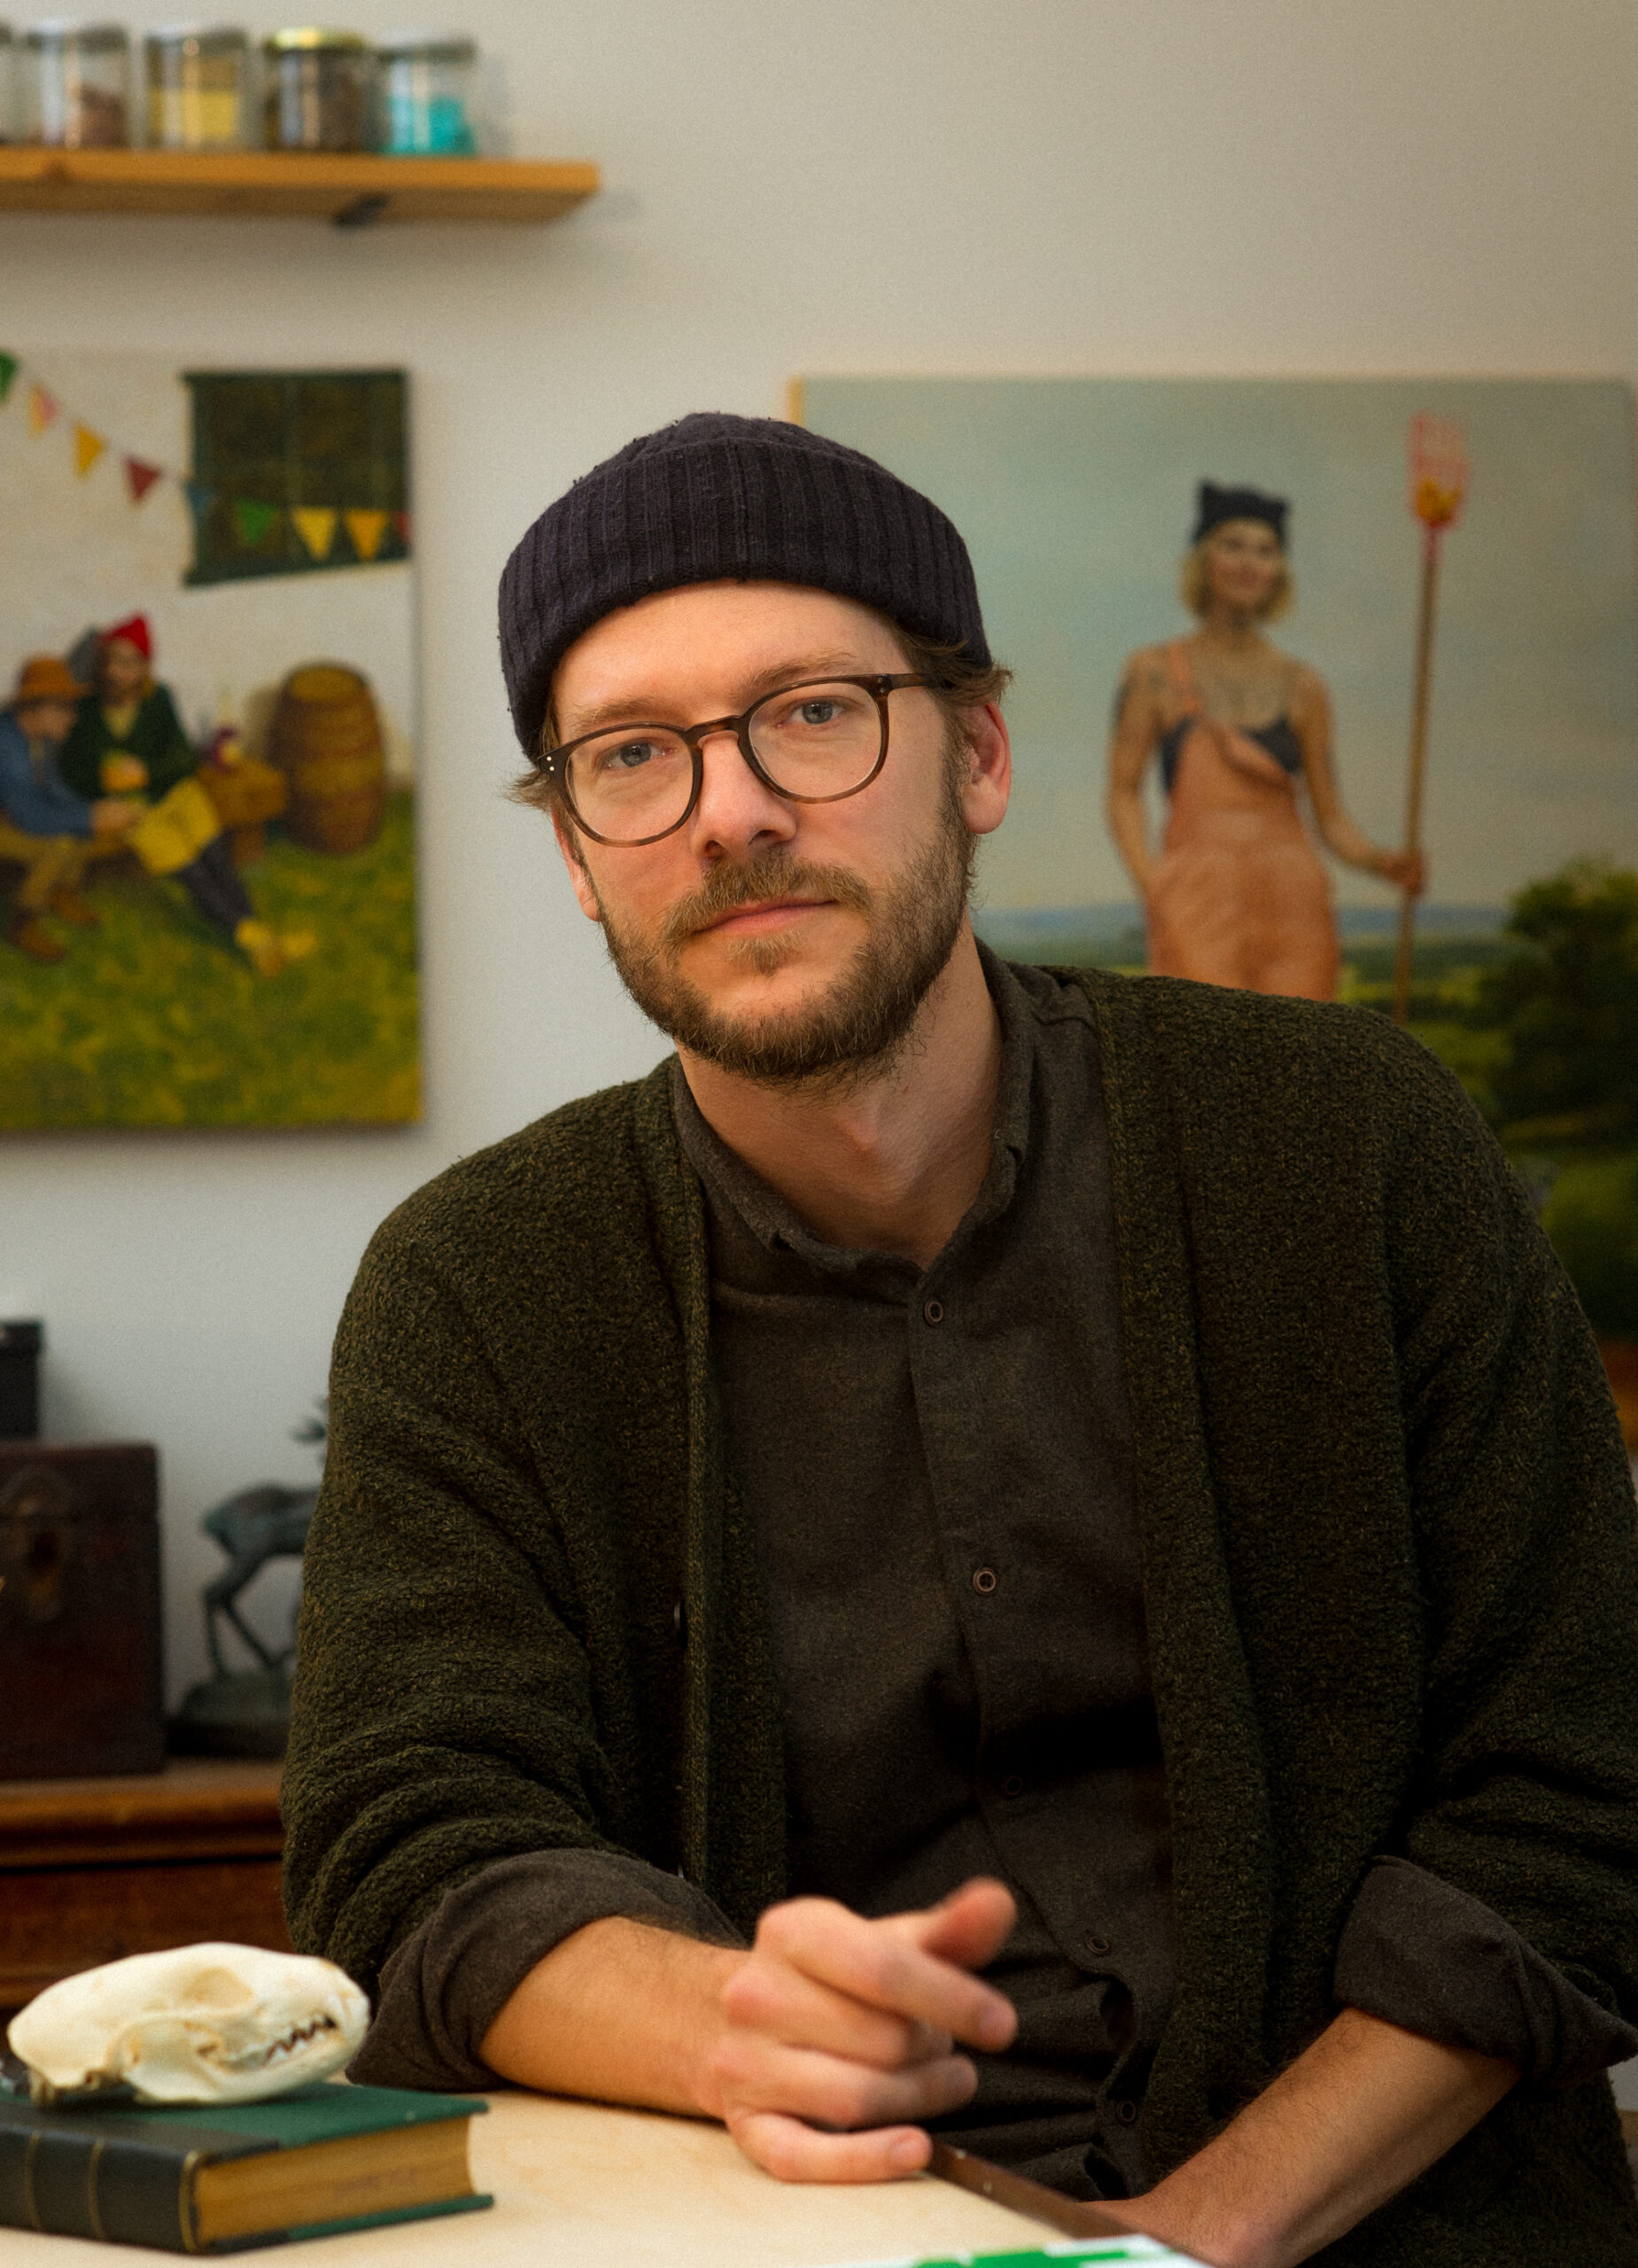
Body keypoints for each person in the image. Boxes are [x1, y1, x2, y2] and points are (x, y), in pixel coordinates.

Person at [282, 415, 1638, 2268]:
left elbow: (1581, 1772)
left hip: (1386, 2227)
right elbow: (409, 1849)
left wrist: (1182, 2239)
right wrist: (729, 2017)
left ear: (978, 754)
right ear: (580, 858)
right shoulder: (477, 1285)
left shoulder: (1350, 1146)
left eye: (812, 713)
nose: (730, 811)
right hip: (792, 2234)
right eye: (633, 757)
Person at [1106, 484, 1423, 999]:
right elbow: (1123, 792)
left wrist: (1383, 862)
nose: (1249, 563)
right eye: (1233, 546)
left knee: (1298, 1041)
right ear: (1204, 561)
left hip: (1293, 899)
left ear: (1279, 571)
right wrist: (1154, 885)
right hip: (1198, 899)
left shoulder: (1303, 687)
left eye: (1265, 550)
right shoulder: (1155, 673)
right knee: (1204, 1036)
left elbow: (1331, 818)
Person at [59, 615, 313, 977]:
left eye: (128, 663)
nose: (117, 672)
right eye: (111, 661)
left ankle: (258, 937)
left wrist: (146, 772)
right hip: (135, 811)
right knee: (194, 874)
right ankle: (261, 940)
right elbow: (71, 771)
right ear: (101, 664)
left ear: (143, 668)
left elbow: (183, 758)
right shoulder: (85, 711)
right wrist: (103, 780)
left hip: (175, 793)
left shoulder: (158, 699)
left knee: (218, 860)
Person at [0, 655, 137, 963]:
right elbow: (31, 817)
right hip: (11, 818)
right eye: (63, 708)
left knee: (78, 826)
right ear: (34, 708)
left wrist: (95, 809)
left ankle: (61, 894)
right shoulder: (5, 744)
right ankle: (22, 924)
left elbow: (54, 791)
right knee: (60, 843)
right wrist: (91, 817)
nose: (72, 718)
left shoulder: (38, 739)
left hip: (14, 814)